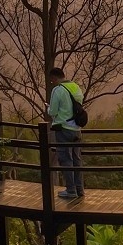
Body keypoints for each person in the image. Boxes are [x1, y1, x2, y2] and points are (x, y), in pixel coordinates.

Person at [46, 67, 84, 198]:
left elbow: (53, 112)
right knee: (77, 159)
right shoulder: (75, 87)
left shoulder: (58, 90)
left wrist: (48, 108)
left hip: (63, 128)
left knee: (66, 159)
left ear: (54, 78)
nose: (52, 83)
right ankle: (80, 189)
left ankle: (71, 190)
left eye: (52, 80)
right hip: (77, 129)